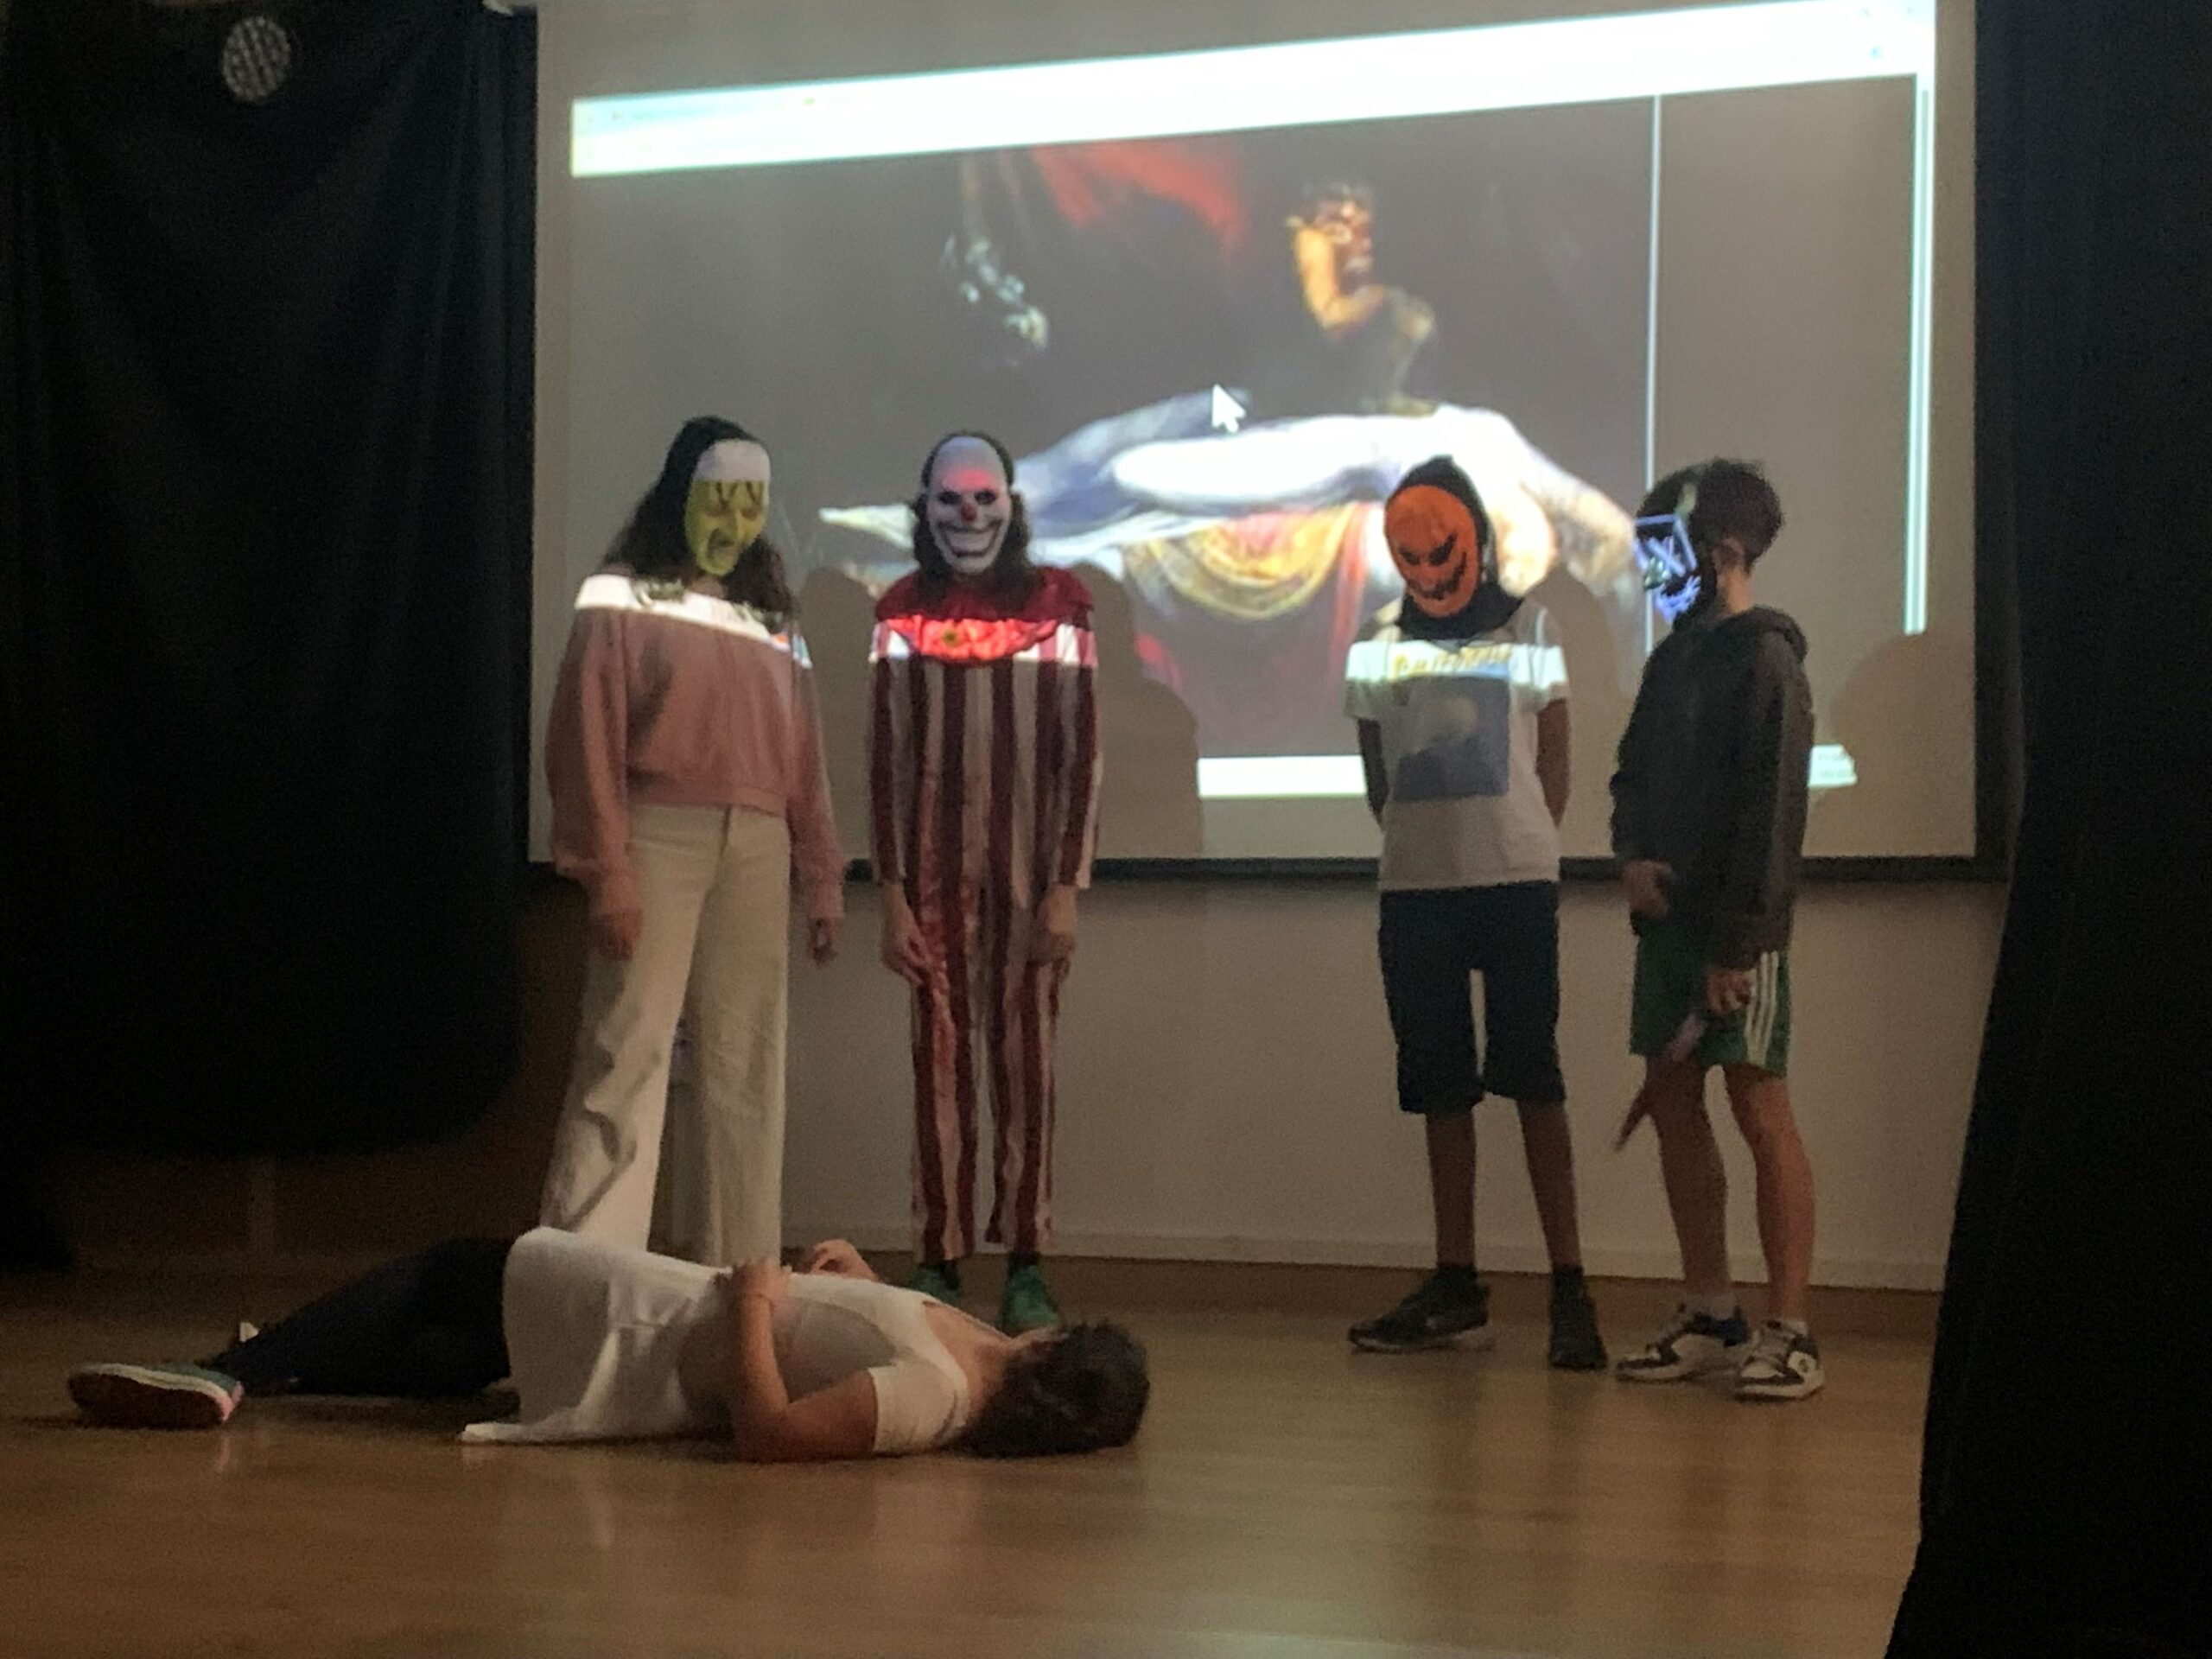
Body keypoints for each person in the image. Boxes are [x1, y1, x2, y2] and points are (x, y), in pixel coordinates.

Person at [540, 417, 845, 1267]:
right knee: (626, 1056)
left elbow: (804, 749)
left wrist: (822, 875)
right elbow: (585, 736)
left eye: (752, 502)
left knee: (746, 1068)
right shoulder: (620, 594)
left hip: (758, 844)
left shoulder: (771, 610)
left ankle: (741, 1285)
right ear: (681, 494)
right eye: (720, 499)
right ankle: (584, 1281)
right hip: (655, 838)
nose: (735, 519)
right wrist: (608, 873)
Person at [63, 1230, 1150, 1461]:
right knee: (463, 1347)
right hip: (669, 1311)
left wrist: (753, 1305)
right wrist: (855, 1280)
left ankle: (232, 1369)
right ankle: (269, 1364)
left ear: (1056, 1347)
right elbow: (849, 1342)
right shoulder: (971, 1352)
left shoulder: (934, 1399)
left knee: (461, 1270)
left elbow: (771, 1433)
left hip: (661, 1319)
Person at [1340, 457, 1607, 1367]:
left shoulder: (1532, 625)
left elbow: (1557, 761)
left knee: (1534, 1078)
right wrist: (1427, 847)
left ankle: (1569, 1286)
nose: (1426, 566)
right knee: (1440, 1088)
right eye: (1408, 550)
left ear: (1477, 538)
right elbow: (1377, 776)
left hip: (1515, 885)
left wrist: (1518, 844)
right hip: (1415, 892)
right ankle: (1457, 1285)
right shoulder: (1375, 639)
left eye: (1441, 546)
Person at [868, 432, 1103, 1335]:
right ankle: (938, 1256)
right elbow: (886, 759)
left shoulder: (1062, 609)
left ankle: (1027, 1262)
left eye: (984, 498)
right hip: (931, 884)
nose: (968, 515)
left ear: (1010, 504)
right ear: (924, 507)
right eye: (950, 499)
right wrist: (891, 894)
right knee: (937, 1068)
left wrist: (1066, 885)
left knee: (1027, 1070)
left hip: (1030, 881)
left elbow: (1082, 754)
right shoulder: (901, 613)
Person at [1609, 459, 1822, 1402]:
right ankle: (1710, 1311)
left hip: (1739, 937)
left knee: (1758, 1108)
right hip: (1666, 932)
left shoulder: (1767, 663)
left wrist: (1738, 948)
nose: (1650, 579)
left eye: (1663, 558)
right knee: (1672, 1099)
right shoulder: (1669, 663)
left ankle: (1791, 1331)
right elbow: (1630, 778)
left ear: (1724, 554)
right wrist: (1631, 858)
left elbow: (1772, 817)